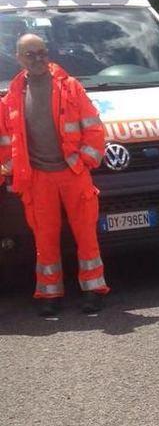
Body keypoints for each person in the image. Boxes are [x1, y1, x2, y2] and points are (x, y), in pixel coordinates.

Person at [0, 34, 108, 316]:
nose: (38, 59)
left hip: (72, 173)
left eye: (42, 53)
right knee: (44, 238)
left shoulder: (70, 87)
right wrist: (7, 172)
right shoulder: (12, 96)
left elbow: (94, 129)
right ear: (19, 58)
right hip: (38, 179)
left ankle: (93, 290)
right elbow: (7, 142)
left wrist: (84, 162)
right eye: (30, 54)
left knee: (86, 234)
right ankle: (50, 294)